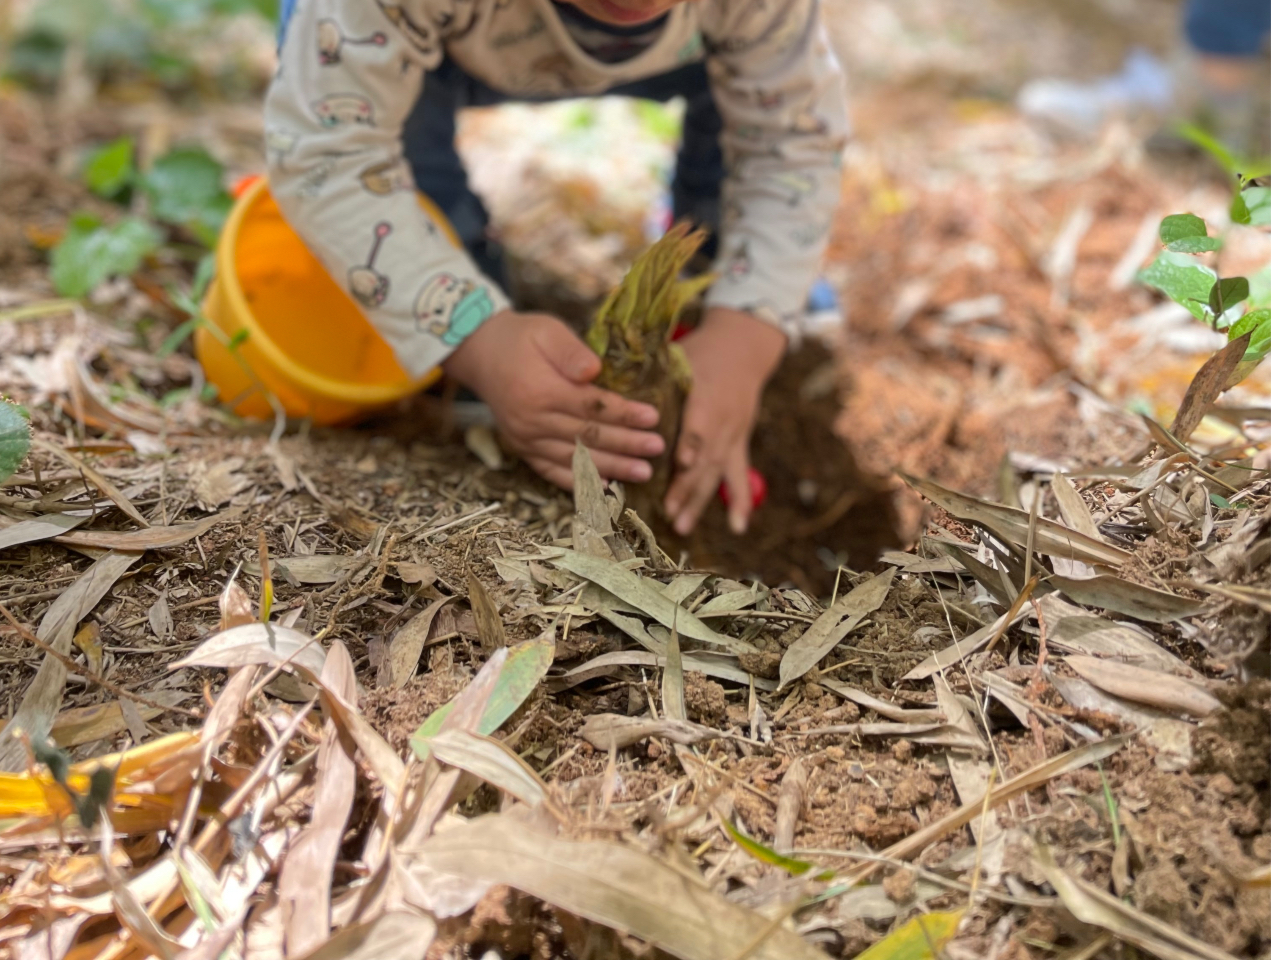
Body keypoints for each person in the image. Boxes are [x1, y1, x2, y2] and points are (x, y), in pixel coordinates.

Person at [264, 0, 848, 536]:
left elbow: (788, 143)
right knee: (410, 207)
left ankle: (729, 258)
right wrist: (475, 337)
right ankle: (458, 264)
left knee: (759, 239)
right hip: (427, 45)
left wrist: (749, 327)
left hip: (696, 45)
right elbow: (334, 153)